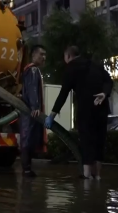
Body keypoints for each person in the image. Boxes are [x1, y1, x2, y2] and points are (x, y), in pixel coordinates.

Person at [44, 45, 112, 179]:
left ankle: (87, 177)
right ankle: (97, 176)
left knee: (87, 141)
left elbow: (63, 93)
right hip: (102, 108)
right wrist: (104, 93)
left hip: (86, 110)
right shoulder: (95, 64)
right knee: (99, 142)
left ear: (68, 56)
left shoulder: (71, 68)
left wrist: (51, 115)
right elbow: (109, 81)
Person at [19, 44, 48, 178]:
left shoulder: (31, 70)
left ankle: (27, 169)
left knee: (29, 139)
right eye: (41, 54)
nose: (44, 57)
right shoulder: (33, 70)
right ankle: (26, 170)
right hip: (30, 112)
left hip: (28, 110)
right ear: (33, 55)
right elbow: (32, 90)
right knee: (28, 139)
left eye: (44, 55)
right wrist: (35, 107)